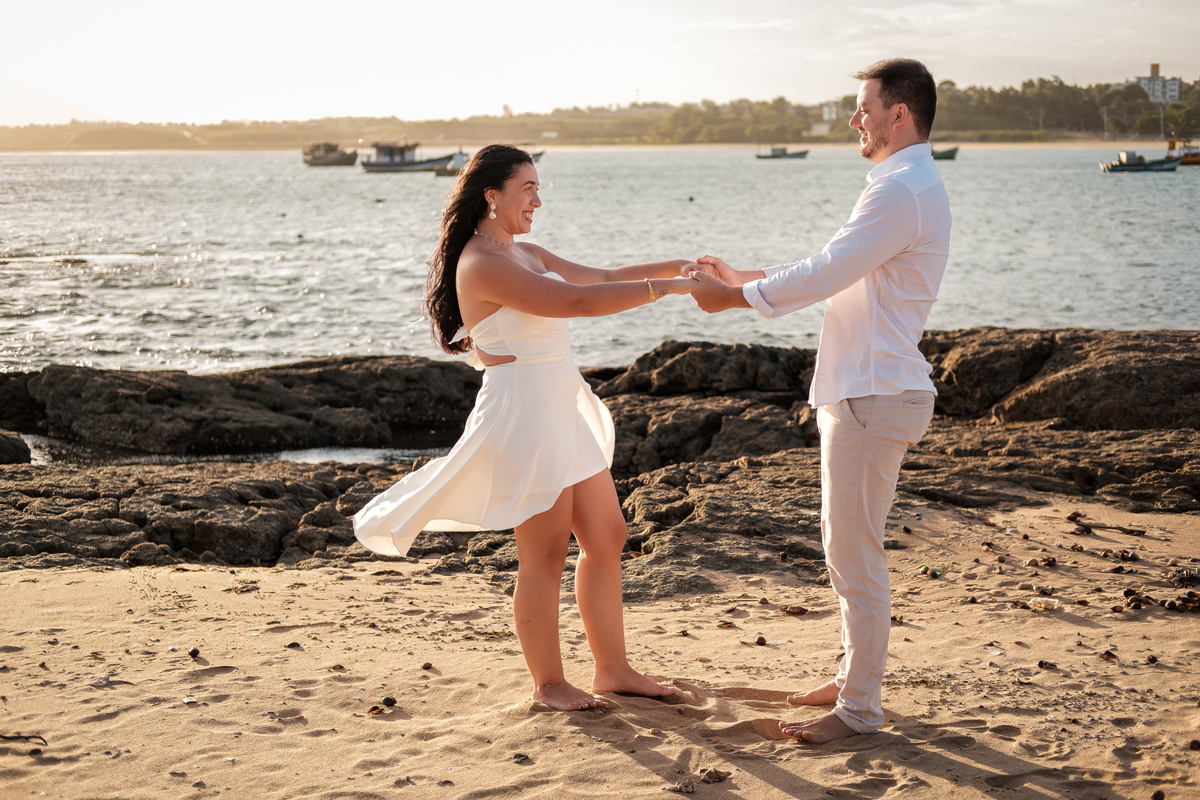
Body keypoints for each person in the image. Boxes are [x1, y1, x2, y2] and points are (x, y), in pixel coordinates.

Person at [354, 144, 701, 712]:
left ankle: (612, 670)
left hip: (560, 403)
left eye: (539, 188)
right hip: (525, 414)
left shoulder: (524, 251)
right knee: (542, 554)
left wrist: (676, 267)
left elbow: (605, 276)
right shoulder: (481, 263)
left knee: (608, 535)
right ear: (492, 195)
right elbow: (575, 302)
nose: (538, 200)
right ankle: (548, 684)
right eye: (528, 189)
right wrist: (663, 291)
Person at [687, 58, 951, 743]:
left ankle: (859, 709)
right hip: (870, 388)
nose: (854, 119)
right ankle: (851, 680)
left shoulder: (903, 188)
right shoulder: (903, 183)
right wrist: (747, 279)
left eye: (864, 107)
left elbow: (830, 269)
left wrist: (735, 299)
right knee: (847, 550)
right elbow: (841, 271)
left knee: (853, 553)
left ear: (900, 114)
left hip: (873, 391)